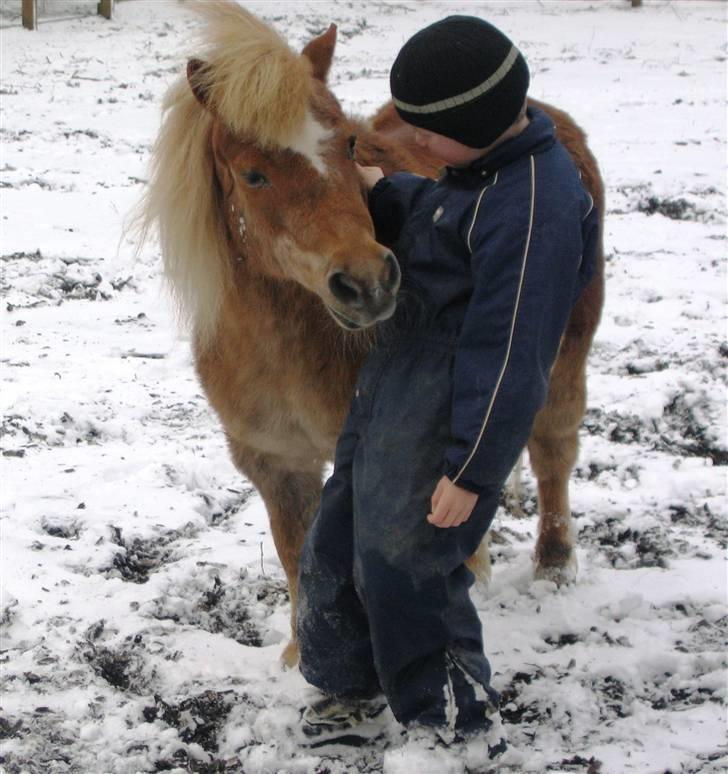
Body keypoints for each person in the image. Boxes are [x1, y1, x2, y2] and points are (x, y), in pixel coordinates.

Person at [295, 14, 599, 754]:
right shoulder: (478, 168)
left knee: (412, 558)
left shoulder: (538, 207)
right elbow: (439, 229)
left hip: (455, 395)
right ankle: (347, 682)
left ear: (478, 121)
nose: (414, 141)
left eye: (430, 131)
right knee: (338, 532)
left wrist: (470, 468)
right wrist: (385, 191)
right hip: (398, 373)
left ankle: (451, 719)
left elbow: (513, 354)